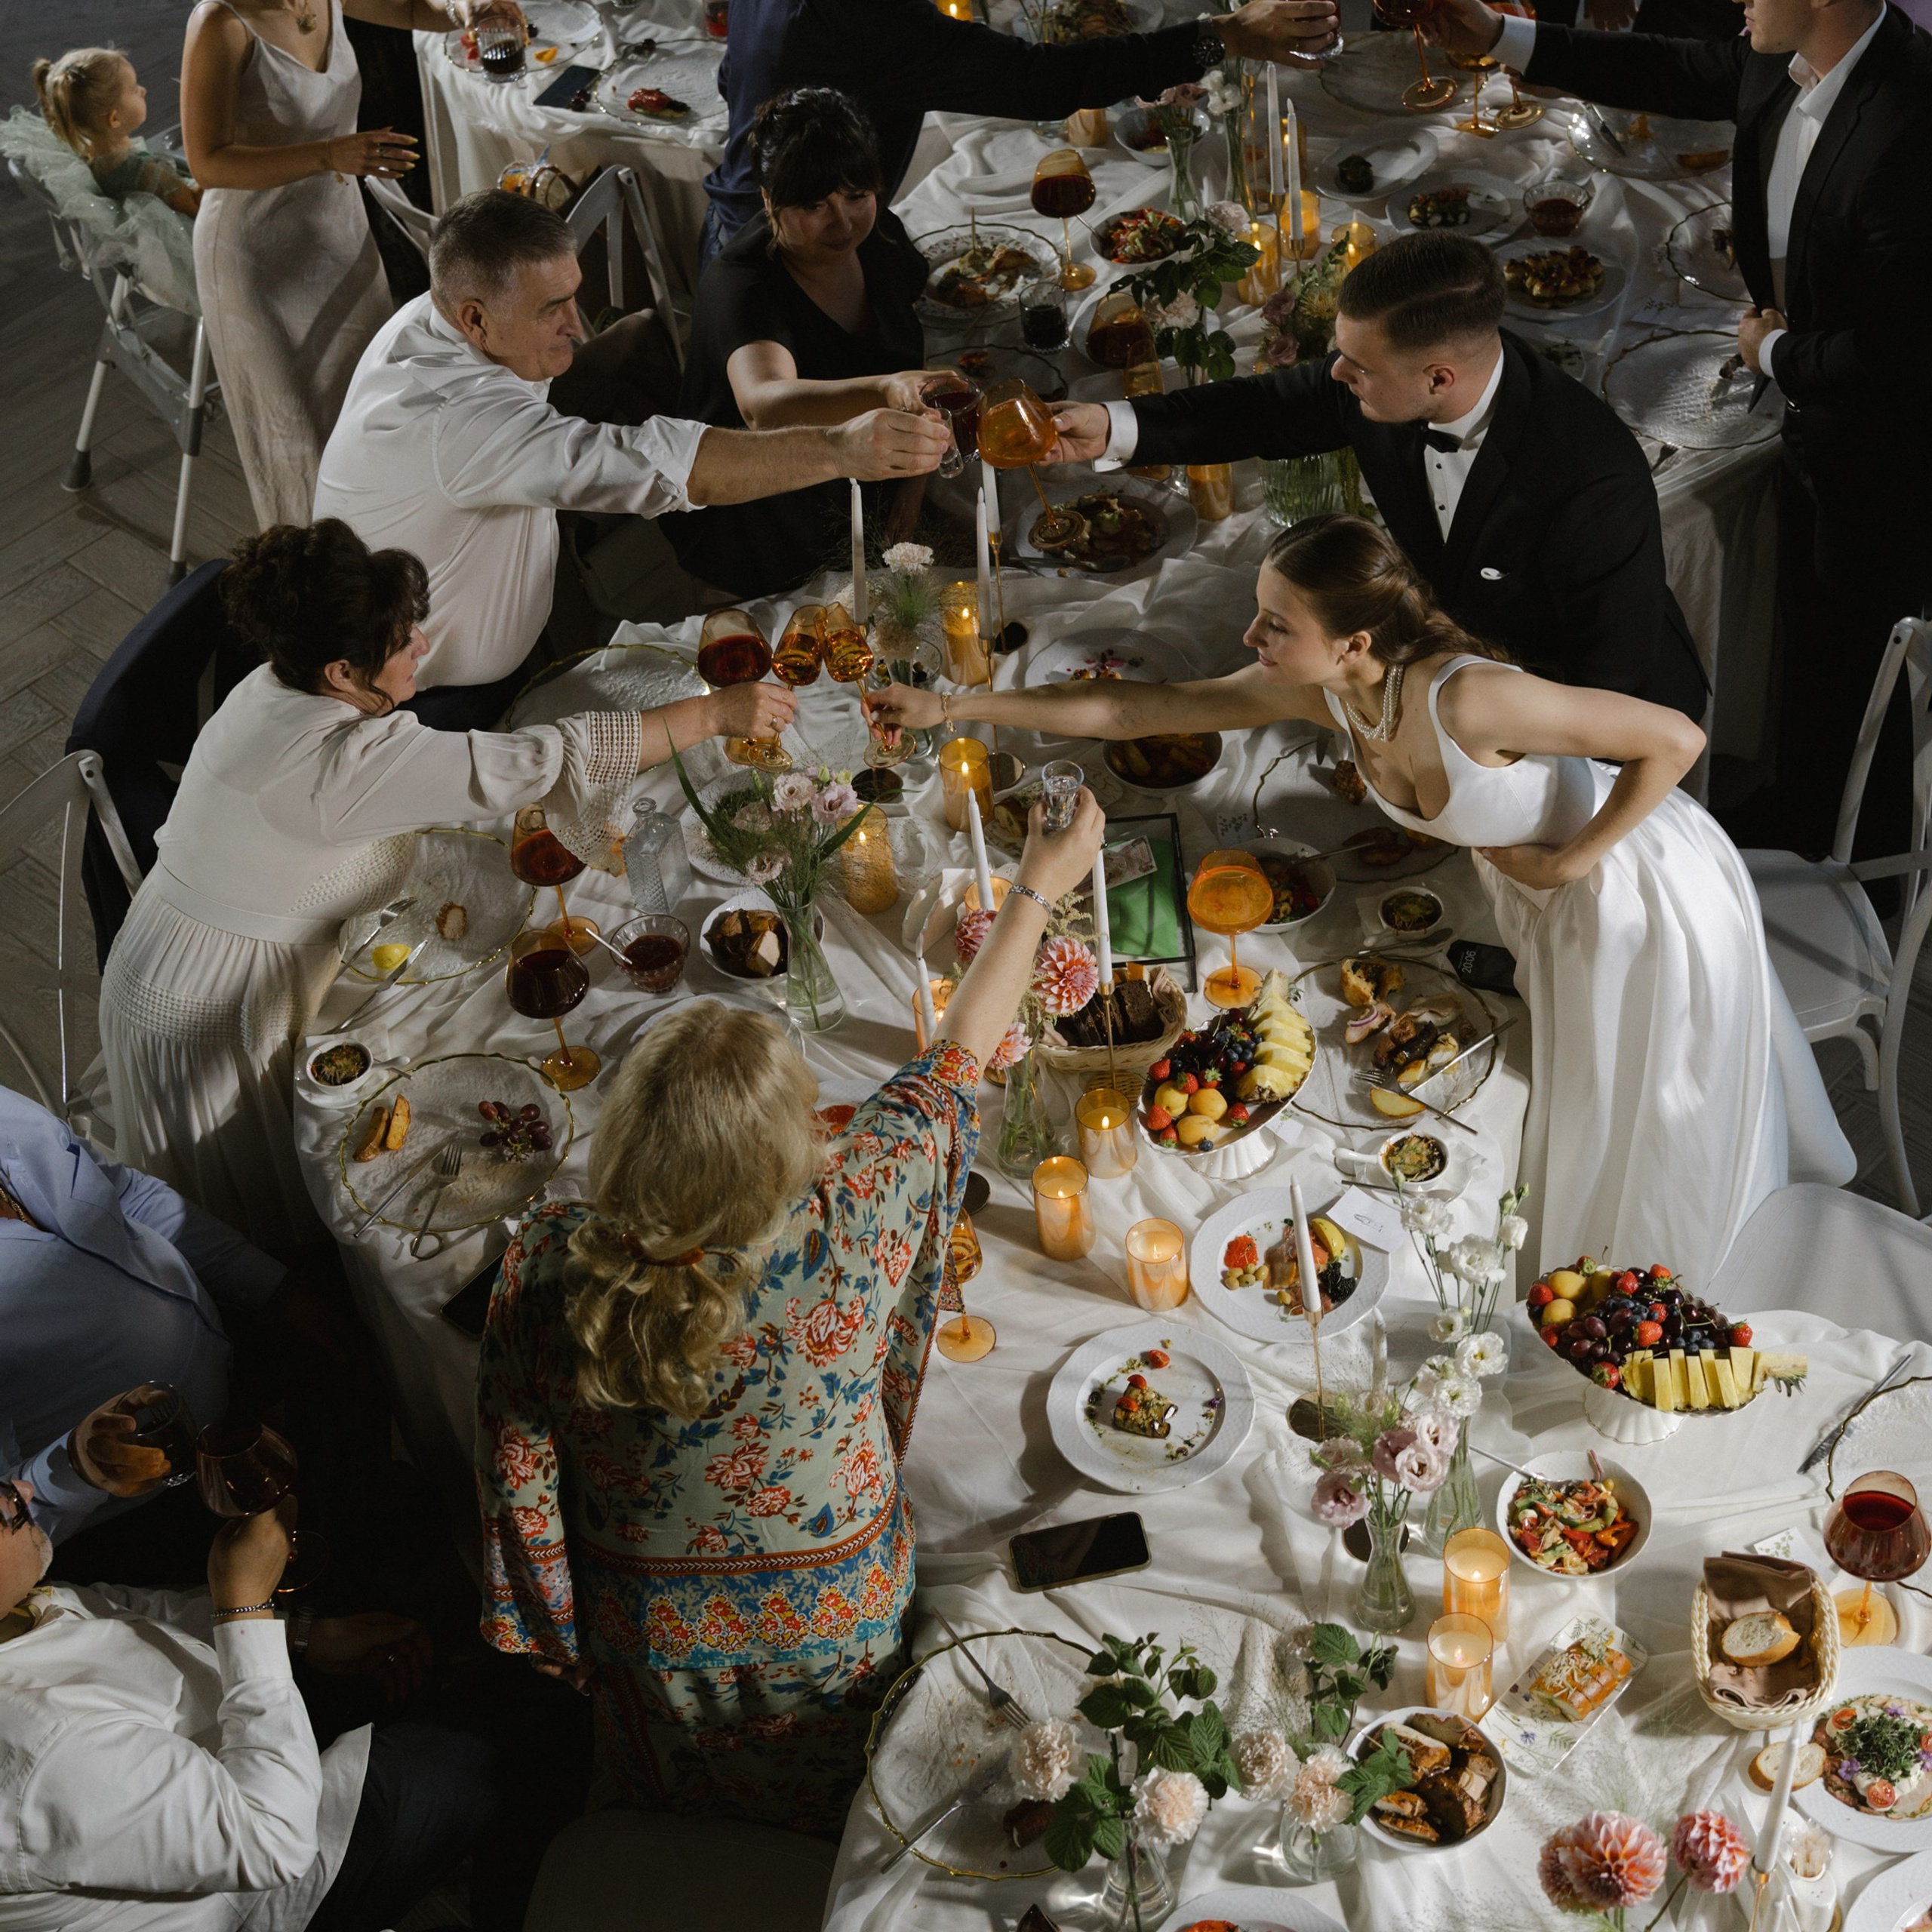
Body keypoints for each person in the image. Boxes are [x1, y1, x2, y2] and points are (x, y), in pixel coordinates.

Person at [872, 516, 1854, 1284]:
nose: (1250, 636)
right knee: (1579, 1094)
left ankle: (1663, 1275)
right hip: (1545, 895)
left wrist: (1569, 863)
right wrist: (953, 706)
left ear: (1352, 641)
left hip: (1634, 884)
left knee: (1635, 1107)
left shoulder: (1469, 699)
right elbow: (1137, 708)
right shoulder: (1333, 692)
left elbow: (1675, 739)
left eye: (1275, 624)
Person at [475, 791, 1106, 1832]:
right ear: (792, 1148)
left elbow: (519, 1483)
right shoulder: (852, 1218)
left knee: (685, 1827)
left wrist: (555, 1634)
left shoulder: (545, 1266)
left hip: (652, 1638)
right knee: (851, 1805)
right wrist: (1041, 878)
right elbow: (958, 1057)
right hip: (838, 1620)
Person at [99, 519, 796, 1247]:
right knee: (247, 1225)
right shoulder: (343, 765)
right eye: (404, 640)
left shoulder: (272, 684)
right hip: (203, 1007)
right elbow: (547, 758)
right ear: (342, 673)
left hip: (163, 946)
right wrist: (714, 712)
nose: (423, 646)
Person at [1424, 0, 1932, 861]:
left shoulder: (1914, 124)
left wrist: (1776, 352)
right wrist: (1502, 34)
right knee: (1815, 645)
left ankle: (1865, 872)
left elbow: (1905, 352)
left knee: (1863, 657)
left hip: (1888, 455)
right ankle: (1800, 817)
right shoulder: (1781, 56)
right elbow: (1669, 70)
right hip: (1809, 426)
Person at [314, 190, 949, 731]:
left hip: (499, 648)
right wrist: (842, 448)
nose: (576, 324)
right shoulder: (455, 419)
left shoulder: (448, 318)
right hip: (422, 701)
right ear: (475, 318)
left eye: (573, 296)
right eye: (552, 310)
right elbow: (657, 469)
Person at [1048, 233, 1708, 718]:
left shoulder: (1592, 480)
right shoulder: (1386, 380)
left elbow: (1608, 678)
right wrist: (1112, 427)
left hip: (1597, 716)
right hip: (1460, 673)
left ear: (1439, 379)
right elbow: (1264, 408)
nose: (1336, 373)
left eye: (1357, 366)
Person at [0, 1479, 576, 1932]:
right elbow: (272, 1839)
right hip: (269, 1888)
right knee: (535, 1717)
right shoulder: (41, 1752)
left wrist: (301, 1637)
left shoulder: (12, 1608)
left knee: (395, 1530)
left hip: (237, 1738)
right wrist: (243, 1608)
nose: (24, 1490)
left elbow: (121, 1612)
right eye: (3, 1506)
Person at [0, 1083, 366, 1558]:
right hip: (158, 1513)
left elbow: (126, 1195)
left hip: (240, 1346)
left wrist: (275, 1291)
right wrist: (77, 1469)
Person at [180, 0, 502, 525]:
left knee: (370, 412)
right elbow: (207, 163)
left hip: (340, 235)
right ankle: (317, 569)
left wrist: (469, 8)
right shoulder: (220, 22)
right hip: (259, 263)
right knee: (302, 441)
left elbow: (413, 9)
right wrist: (328, 154)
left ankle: (386, 557)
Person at [701, 0, 1343, 260]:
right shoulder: (868, 18)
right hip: (792, 258)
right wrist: (1225, 35)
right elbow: (1045, 82)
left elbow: (734, 79)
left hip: (744, 225)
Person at [662, 90, 934, 598]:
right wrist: (889, 390)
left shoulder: (878, 236)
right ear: (769, 199)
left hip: (872, 478)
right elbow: (764, 407)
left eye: (856, 196)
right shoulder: (742, 286)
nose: (843, 223)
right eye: (813, 205)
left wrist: (915, 483)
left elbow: (911, 346)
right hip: (766, 520)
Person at [32, 47, 202, 214]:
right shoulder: (143, 172)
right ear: (114, 119)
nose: (143, 91)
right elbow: (195, 205)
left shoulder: (94, 157)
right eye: (134, 90)